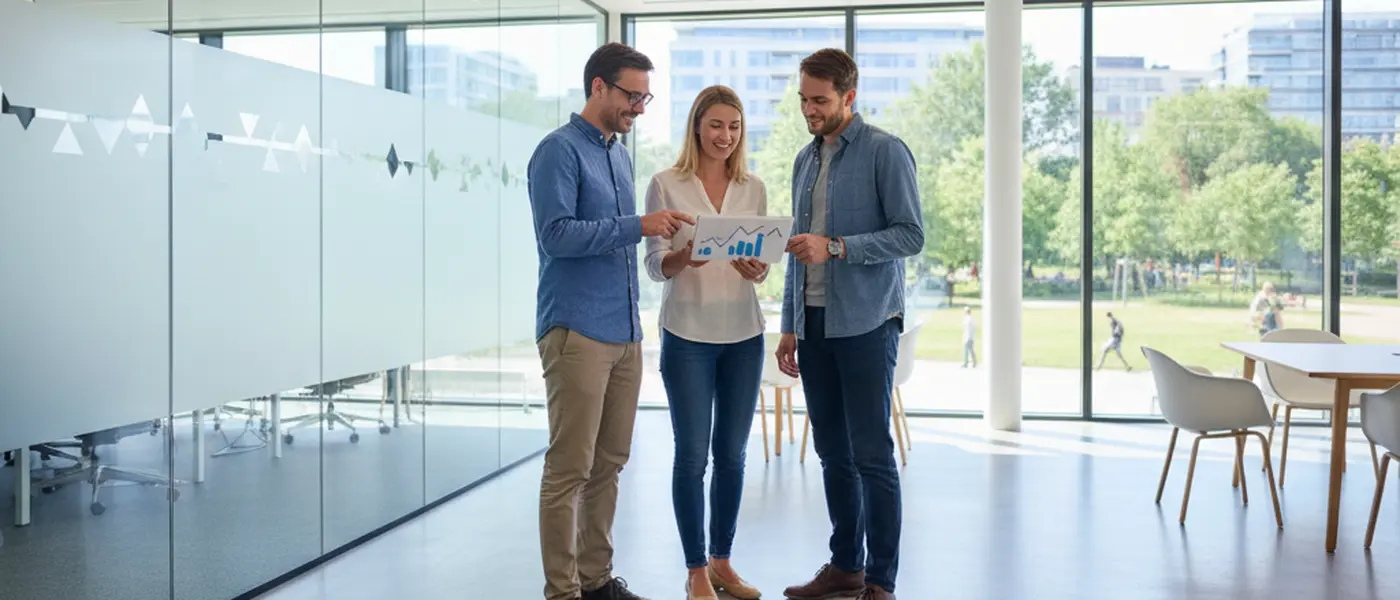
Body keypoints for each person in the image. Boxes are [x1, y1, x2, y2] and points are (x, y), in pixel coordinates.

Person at [526, 42, 693, 600]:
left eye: (646, 97)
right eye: (632, 95)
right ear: (598, 86)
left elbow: (625, 239)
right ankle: (563, 591)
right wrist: (638, 225)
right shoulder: (557, 151)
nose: (640, 107)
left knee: (610, 464)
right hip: (576, 329)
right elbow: (556, 237)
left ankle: (596, 581)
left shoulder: (617, 153)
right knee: (569, 467)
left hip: (624, 333)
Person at [774, 48, 924, 600]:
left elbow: (911, 235)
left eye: (820, 100)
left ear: (848, 97)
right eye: (803, 100)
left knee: (872, 455)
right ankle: (845, 566)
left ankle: (881, 580)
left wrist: (835, 247)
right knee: (832, 452)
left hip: (865, 324)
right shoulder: (804, 160)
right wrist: (790, 323)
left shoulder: (886, 151)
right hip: (812, 327)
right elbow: (796, 250)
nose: (809, 110)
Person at [643, 85, 768, 600]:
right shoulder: (665, 184)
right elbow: (654, 265)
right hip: (688, 335)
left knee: (733, 456)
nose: (725, 136)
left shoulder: (753, 187)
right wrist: (682, 259)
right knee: (692, 455)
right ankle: (695, 569)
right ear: (697, 126)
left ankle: (722, 562)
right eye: (716, 125)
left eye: (734, 127)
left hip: (744, 333)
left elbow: (759, 266)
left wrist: (758, 269)